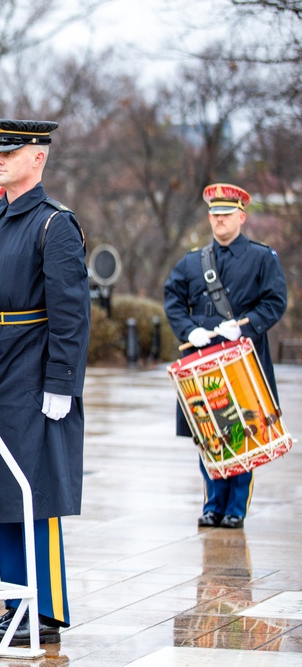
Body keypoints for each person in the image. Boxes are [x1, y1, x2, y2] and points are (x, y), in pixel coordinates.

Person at [0, 119, 90, 646]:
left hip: (30, 369)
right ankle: (17, 605)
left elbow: (71, 313)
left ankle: (45, 609)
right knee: (1, 495)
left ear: (38, 158)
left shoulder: (55, 225)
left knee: (33, 492)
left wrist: (62, 383)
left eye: (12, 151)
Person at [163, 183, 288, 530]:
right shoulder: (192, 262)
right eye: (214, 215)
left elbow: (275, 302)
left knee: (243, 431)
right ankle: (212, 504)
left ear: (241, 217)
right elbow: (173, 298)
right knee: (209, 435)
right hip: (203, 360)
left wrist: (246, 327)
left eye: (226, 215)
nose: (219, 221)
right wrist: (188, 331)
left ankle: (236, 507)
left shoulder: (262, 257)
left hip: (243, 359)